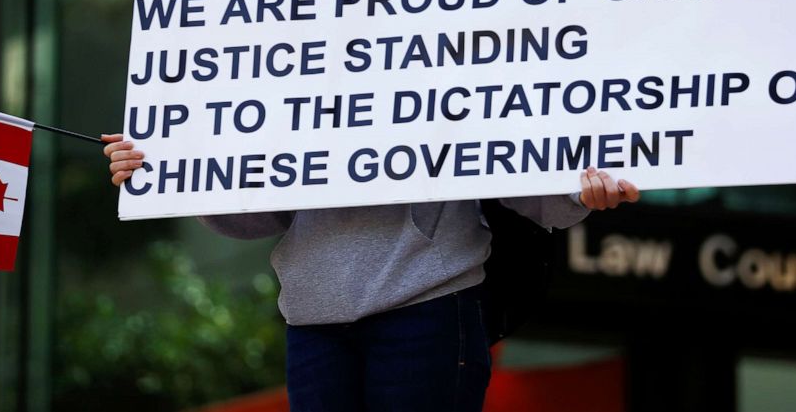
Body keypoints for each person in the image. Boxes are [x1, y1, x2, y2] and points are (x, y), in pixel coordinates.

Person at [102, 133, 640, 412]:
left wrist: (582, 189)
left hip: (428, 307)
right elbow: (258, 215)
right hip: (313, 322)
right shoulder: (286, 62)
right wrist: (171, 174)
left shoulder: (454, 50)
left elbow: (515, 172)